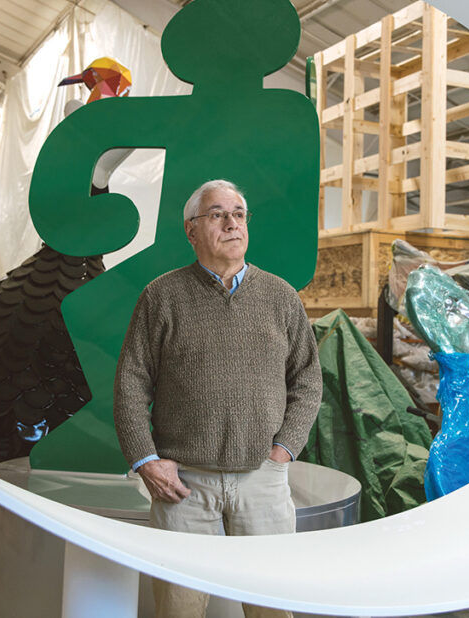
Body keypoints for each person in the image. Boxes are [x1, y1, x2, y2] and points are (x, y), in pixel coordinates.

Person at [114, 178, 322, 618]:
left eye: (239, 214)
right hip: (183, 486)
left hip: (262, 479)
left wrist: (284, 450)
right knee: (179, 609)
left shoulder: (281, 297)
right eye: (217, 214)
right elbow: (131, 383)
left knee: (272, 607)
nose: (232, 223)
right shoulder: (161, 296)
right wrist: (145, 460)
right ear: (191, 230)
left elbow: (307, 380)